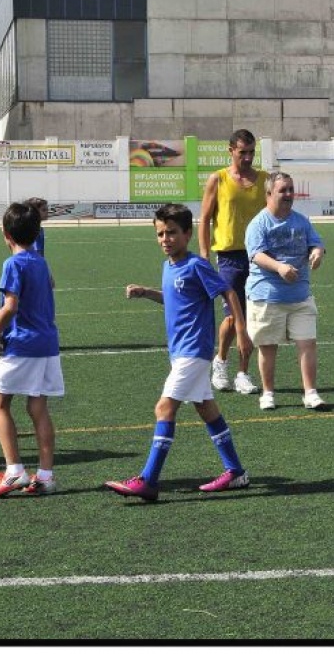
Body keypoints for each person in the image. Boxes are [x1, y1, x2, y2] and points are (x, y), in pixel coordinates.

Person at [105, 204, 252, 501]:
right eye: (160, 234)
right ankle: (236, 471)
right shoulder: (168, 267)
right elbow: (174, 299)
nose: (165, 239)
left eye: (172, 233)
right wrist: (146, 292)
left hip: (194, 350)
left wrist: (241, 330)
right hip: (180, 351)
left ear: (187, 233)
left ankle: (148, 480)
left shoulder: (197, 265)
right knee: (206, 408)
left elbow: (229, 292)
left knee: (164, 408)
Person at [0, 202, 62, 497]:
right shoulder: (41, 262)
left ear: (5, 234)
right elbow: (20, 305)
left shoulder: (13, 264)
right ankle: (45, 476)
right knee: (37, 407)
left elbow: (11, 306)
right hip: (47, 343)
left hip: (23, 344)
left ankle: (14, 471)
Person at [244, 172, 327, 411]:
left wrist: (317, 253)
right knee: (268, 347)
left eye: (291, 189)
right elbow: (256, 254)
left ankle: (310, 393)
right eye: (283, 190)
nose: (289, 194)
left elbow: (316, 242)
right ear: (269, 194)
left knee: (307, 343)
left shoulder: (301, 221)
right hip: (267, 296)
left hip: (300, 296)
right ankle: (268, 393)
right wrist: (279, 267)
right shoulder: (259, 223)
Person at [199, 129, 267, 395]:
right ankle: (221, 361)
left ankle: (242, 373)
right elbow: (205, 218)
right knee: (231, 316)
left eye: (251, 152)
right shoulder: (218, 179)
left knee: (252, 316)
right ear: (231, 151)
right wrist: (204, 255)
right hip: (229, 256)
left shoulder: (264, 179)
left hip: (259, 256)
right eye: (243, 153)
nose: (248, 157)